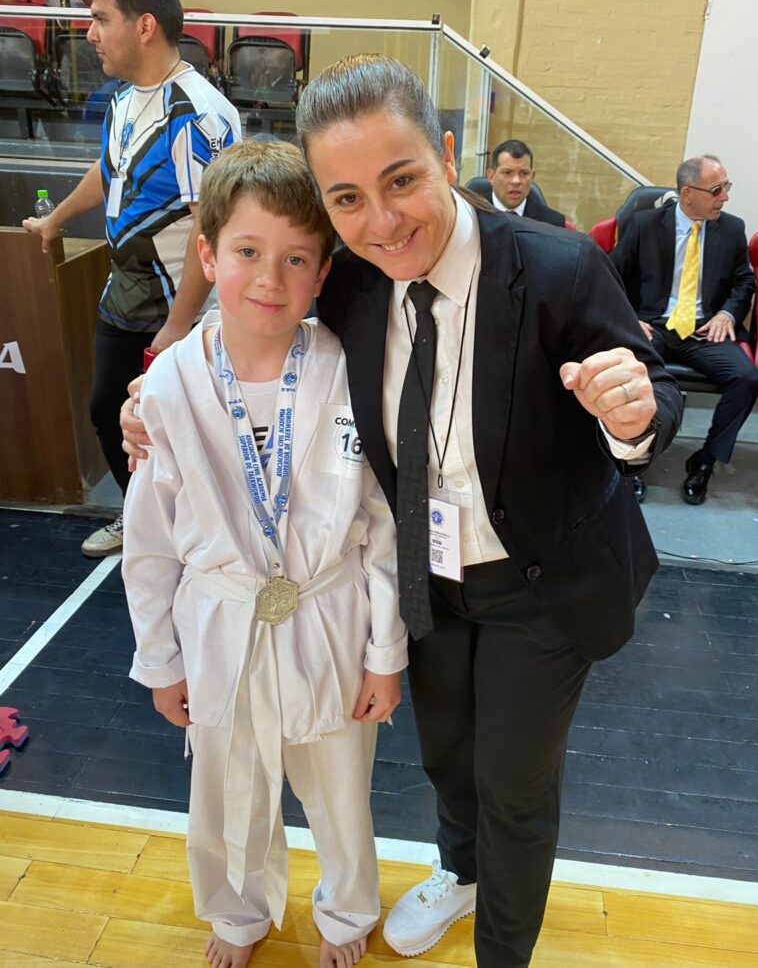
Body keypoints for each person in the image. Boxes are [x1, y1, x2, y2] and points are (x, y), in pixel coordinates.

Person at [122, 54, 682, 968]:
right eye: (347, 199)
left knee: (513, 783)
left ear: (448, 155)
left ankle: (503, 953)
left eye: (402, 180)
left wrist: (634, 415)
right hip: (425, 573)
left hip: (539, 579)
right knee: (447, 754)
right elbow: (257, 319)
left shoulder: (557, 267)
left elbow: (649, 391)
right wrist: (152, 396)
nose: (382, 221)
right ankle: (460, 872)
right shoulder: (351, 282)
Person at [123, 140, 407, 968]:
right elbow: (148, 543)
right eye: (247, 252)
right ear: (208, 254)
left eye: (296, 259)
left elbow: (382, 524)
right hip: (221, 618)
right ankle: (237, 912)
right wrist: (161, 659)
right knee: (225, 789)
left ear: (323, 273)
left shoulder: (350, 370)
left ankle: (346, 913)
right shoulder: (169, 385)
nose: (270, 279)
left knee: (342, 790)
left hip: (329, 612)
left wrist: (384, 653)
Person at [23, 0, 241, 558]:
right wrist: (56, 219)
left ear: (144, 26)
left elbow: (211, 226)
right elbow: (108, 171)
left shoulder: (198, 113)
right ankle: (142, 520)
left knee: (189, 432)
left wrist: (179, 325)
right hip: (126, 292)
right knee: (108, 412)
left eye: (100, 19)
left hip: (182, 310)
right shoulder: (122, 100)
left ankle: (200, 538)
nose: (89, 33)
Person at [611, 155, 758, 505]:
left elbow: (744, 281)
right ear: (687, 193)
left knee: (747, 378)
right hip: (654, 327)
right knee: (630, 373)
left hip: (703, 331)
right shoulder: (644, 225)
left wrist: (727, 313)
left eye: (726, 187)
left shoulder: (732, 228)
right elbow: (609, 275)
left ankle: (705, 461)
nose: (725, 197)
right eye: (716, 190)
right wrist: (630, 318)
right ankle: (632, 458)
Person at [484, 138, 567, 226]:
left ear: (532, 177)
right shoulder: (474, 215)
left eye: (524, 173)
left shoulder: (552, 222)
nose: (516, 181)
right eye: (507, 173)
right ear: (491, 176)